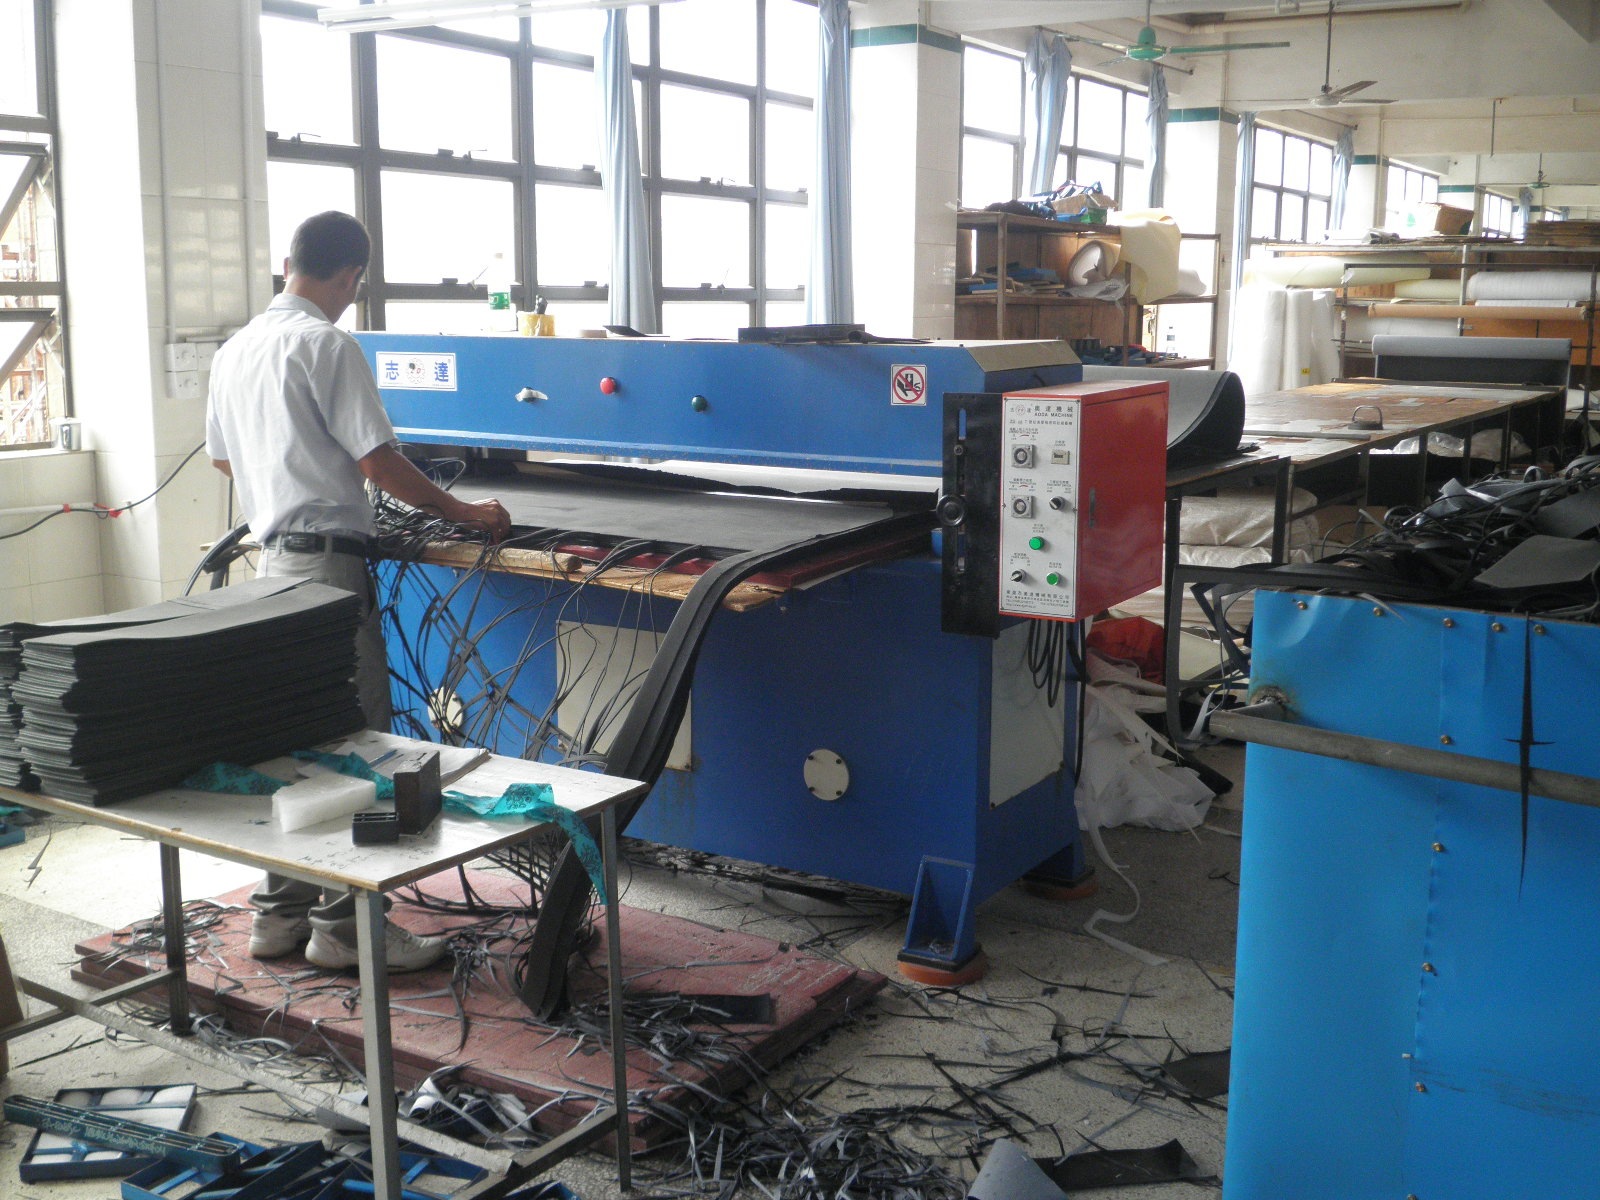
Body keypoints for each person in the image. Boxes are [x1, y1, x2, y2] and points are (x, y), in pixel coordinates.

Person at [206, 210, 511, 972]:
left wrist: (289, 474)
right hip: (329, 573)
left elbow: (224, 461)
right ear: (350, 278)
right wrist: (463, 511)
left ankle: (279, 917)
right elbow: (379, 461)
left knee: (291, 744)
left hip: (271, 569)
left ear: (290, 264)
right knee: (355, 747)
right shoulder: (327, 344)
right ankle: (346, 927)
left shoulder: (236, 349)